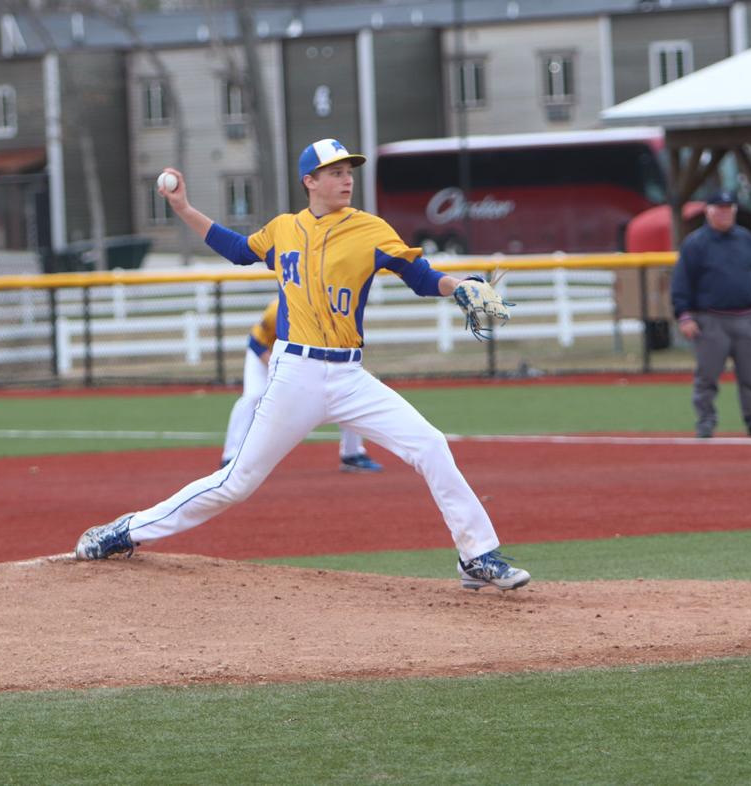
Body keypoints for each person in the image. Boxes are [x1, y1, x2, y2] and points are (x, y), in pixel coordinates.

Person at [74, 138, 530, 591]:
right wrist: (184, 209)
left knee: (430, 445)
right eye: (334, 172)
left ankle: (476, 555)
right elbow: (238, 250)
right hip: (297, 375)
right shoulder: (283, 229)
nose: (346, 179)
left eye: (349, 171)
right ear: (309, 181)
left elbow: (421, 276)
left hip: (350, 376)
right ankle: (126, 530)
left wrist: (461, 285)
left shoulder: (371, 230)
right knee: (236, 482)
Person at [223, 298, 382, 473]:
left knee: (348, 392)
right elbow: (256, 343)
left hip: (303, 360)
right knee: (254, 396)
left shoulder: (331, 312)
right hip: (264, 356)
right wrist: (275, 370)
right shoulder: (279, 308)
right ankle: (231, 455)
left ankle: (352, 455)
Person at [671, 190, 751, 439]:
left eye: (728, 208)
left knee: (750, 376)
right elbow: (681, 283)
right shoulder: (695, 244)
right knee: (707, 376)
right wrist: (684, 316)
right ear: (708, 211)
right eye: (719, 208)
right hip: (711, 320)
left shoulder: (748, 241)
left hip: (747, 318)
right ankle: (706, 420)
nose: (724, 212)